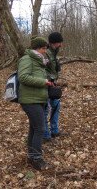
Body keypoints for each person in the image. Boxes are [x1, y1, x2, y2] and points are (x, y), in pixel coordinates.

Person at [18, 36, 54, 170]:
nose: (45, 51)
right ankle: (37, 159)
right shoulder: (27, 59)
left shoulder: (38, 61)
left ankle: (32, 156)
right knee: (40, 128)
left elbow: (36, 76)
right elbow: (23, 77)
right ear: (37, 48)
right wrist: (43, 82)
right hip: (30, 100)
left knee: (34, 128)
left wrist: (48, 81)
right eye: (44, 48)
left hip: (38, 98)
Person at [43, 32, 65, 141]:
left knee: (56, 106)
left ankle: (54, 131)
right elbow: (40, 70)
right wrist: (48, 79)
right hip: (44, 85)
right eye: (59, 42)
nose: (61, 44)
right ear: (53, 43)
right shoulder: (45, 53)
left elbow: (54, 68)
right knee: (45, 109)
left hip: (53, 84)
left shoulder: (54, 52)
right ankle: (45, 134)